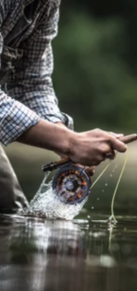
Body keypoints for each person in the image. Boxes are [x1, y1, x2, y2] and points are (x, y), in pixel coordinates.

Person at [0, 0, 127, 213]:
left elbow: (31, 83)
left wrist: (67, 143)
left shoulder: (46, 4)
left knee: (10, 211)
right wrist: (69, 143)